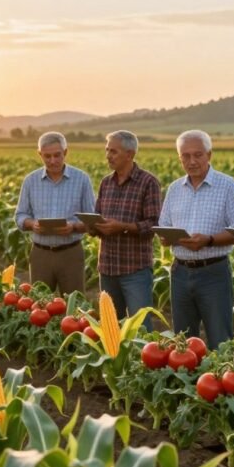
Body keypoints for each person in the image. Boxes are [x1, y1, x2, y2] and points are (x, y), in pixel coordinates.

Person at [158, 130, 234, 349]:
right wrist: (166, 237)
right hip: (180, 271)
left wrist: (208, 240)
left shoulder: (228, 186)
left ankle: (225, 381)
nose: (192, 161)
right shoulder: (174, 189)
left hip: (213, 273)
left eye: (197, 155)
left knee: (220, 340)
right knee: (183, 342)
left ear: (209, 155)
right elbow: (164, 227)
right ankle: (190, 383)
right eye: (185, 156)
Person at [90, 130, 161, 329]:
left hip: (135, 269)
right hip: (108, 267)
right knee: (111, 328)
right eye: (107, 150)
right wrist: (93, 225)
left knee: (141, 329)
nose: (108, 155)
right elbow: (98, 216)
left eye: (113, 151)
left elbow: (153, 225)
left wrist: (123, 228)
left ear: (130, 154)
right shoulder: (106, 183)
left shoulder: (148, 183)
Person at [15, 132, 96, 293]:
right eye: (47, 156)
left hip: (71, 253)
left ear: (65, 152)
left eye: (57, 155)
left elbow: (92, 221)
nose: (52, 161)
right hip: (40, 254)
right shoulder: (30, 181)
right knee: (40, 307)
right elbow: (20, 215)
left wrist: (73, 227)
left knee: (75, 307)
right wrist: (33, 224)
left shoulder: (81, 179)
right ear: (40, 155)